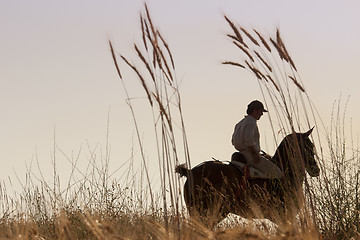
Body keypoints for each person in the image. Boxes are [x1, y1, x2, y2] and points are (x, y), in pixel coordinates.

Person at [231, 100, 282, 179]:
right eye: (261, 111)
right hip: (250, 155)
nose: (261, 114)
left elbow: (233, 141)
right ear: (255, 110)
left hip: (241, 153)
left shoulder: (240, 123)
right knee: (277, 173)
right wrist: (254, 153)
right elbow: (248, 140)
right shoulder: (251, 122)